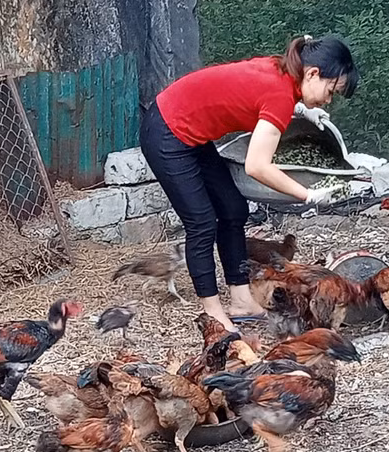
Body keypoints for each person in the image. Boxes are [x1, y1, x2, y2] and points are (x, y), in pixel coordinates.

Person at [140, 34, 359, 333]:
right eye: (331, 90)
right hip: (167, 132)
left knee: (233, 208)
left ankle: (241, 300)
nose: (328, 100)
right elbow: (257, 166)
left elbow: (262, 96)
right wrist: (307, 194)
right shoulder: (280, 96)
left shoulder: (285, 72)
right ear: (312, 73)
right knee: (202, 222)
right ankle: (213, 313)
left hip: (190, 132)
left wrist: (303, 108)